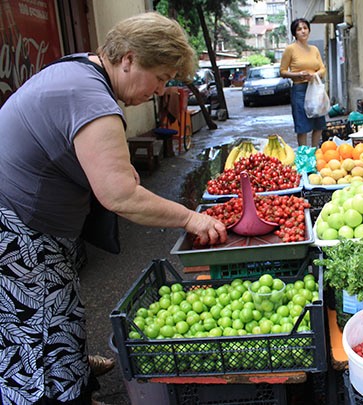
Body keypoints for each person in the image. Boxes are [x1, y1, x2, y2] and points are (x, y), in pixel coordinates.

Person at [0, 12, 227, 405]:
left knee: (59, 303)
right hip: (18, 226)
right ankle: (52, 392)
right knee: (32, 323)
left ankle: (72, 368)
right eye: (159, 78)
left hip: (33, 220)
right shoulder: (93, 100)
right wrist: (192, 217)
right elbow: (119, 196)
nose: (159, 90)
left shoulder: (80, 71)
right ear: (128, 59)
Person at [280, 18, 327, 147]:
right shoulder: (290, 49)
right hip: (300, 90)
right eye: (299, 29)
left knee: (319, 123)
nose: (303, 31)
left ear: (309, 30)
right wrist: (298, 75)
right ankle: (303, 155)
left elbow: (322, 69)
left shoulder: (314, 49)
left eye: (305, 28)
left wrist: (315, 74)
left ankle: (314, 151)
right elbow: (282, 72)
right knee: (303, 126)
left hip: (315, 88)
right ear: (294, 33)